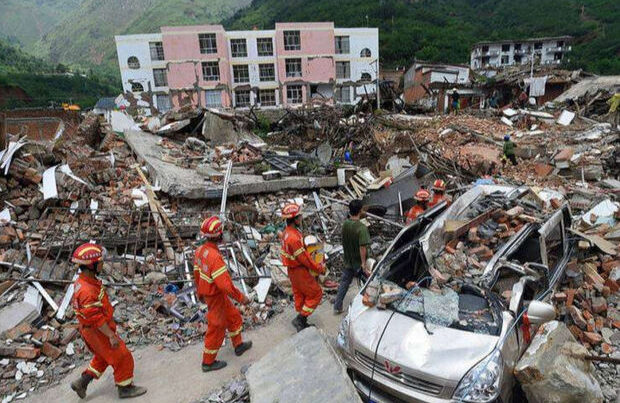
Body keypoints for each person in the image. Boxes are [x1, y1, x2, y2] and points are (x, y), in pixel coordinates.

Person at [69, 243, 147, 399]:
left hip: (91, 331)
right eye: (100, 262)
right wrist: (110, 335)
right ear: (92, 265)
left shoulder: (83, 282)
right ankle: (125, 388)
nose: (103, 264)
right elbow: (95, 318)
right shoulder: (87, 290)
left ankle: (82, 382)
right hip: (98, 331)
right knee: (122, 356)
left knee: (103, 357)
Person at [194, 216, 252, 372]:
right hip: (216, 296)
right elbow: (225, 286)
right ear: (219, 235)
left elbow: (197, 274)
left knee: (233, 316)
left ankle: (238, 345)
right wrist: (242, 298)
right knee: (217, 327)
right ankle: (208, 362)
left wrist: (199, 292)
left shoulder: (200, 251)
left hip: (212, 295)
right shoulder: (215, 258)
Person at [280, 203, 325, 331]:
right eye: (299, 216)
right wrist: (318, 268)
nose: (301, 218)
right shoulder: (294, 238)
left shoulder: (286, 233)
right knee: (316, 293)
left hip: (292, 271)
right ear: (295, 219)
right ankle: (301, 319)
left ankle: (302, 320)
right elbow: (305, 259)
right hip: (299, 271)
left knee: (300, 294)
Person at [334, 199, 370, 315]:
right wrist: (364, 264)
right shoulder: (361, 228)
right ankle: (367, 306)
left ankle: (337, 306)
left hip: (348, 260)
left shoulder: (345, 224)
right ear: (360, 211)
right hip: (358, 262)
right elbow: (362, 248)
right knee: (368, 283)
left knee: (344, 283)